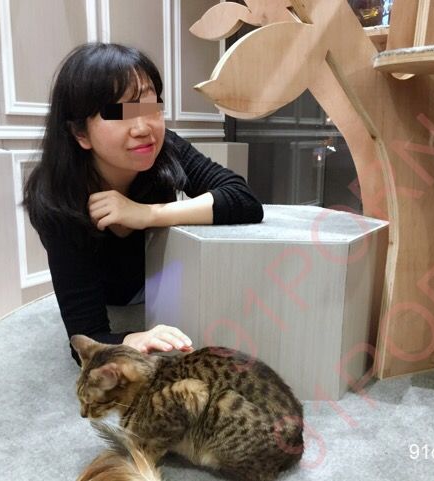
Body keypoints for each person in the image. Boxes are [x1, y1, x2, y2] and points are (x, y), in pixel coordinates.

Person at [23, 43, 263, 365]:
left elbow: (243, 199)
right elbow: (86, 339)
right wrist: (134, 338)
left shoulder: (163, 146)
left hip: (164, 289)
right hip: (113, 300)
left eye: (150, 107)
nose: (142, 127)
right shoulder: (57, 198)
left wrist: (146, 214)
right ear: (81, 133)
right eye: (118, 113)